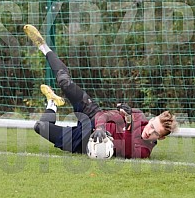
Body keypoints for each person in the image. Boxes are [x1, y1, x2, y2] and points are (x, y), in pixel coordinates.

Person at [23, 24, 178, 159]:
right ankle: (43, 47)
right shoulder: (138, 115)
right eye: (152, 125)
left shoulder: (144, 150)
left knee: (40, 127)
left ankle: (52, 103)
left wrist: (128, 125)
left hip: (83, 142)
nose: (148, 131)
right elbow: (103, 115)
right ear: (152, 119)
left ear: (161, 138)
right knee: (64, 81)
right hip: (92, 116)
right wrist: (101, 128)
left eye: (155, 133)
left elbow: (128, 147)